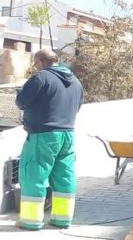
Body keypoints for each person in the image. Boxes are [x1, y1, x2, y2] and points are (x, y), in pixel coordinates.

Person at [15, 49, 84, 230]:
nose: (35, 65)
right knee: (64, 176)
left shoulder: (41, 78)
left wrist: (20, 91)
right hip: (68, 134)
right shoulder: (76, 82)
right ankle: (62, 219)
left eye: (35, 62)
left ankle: (31, 221)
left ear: (41, 61)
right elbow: (77, 107)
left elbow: (22, 102)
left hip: (43, 135)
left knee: (34, 174)